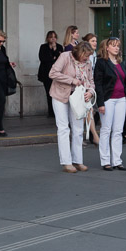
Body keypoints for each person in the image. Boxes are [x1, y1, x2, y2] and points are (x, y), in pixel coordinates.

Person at [48, 41, 93, 173]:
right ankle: (66, 162)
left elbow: (91, 80)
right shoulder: (65, 56)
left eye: (89, 56)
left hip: (78, 97)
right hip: (60, 94)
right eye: (86, 55)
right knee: (63, 128)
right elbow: (53, 73)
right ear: (79, 52)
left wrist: (90, 92)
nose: (87, 58)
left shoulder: (88, 63)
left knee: (78, 129)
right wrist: (71, 80)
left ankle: (78, 160)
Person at [94, 37, 126, 171]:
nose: (116, 48)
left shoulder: (120, 63)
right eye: (113, 45)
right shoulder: (101, 63)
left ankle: (117, 160)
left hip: (121, 98)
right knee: (106, 129)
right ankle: (105, 161)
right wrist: (100, 103)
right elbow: (98, 84)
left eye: (118, 46)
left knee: (118, 130)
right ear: (107, 48)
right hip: (108, 99)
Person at [37, 31, 63, 119]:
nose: (53, 39)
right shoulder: (43, 47)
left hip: (57, 73)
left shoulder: (59, 47)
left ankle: (57, 111)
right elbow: (43, 58)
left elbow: (60, 59)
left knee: (57, 93)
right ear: (48, 38)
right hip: (46, 73)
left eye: (55, 37)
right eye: (51, 37)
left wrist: (55, 50)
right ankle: (51, 112)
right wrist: (53, 57)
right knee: (49, 93)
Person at [81, 33, 101, 145]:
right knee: (88, 111)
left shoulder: (94, 55)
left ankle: (79, 134)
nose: (95, 43)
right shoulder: (86, 56)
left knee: (89, 111)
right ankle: (95, 136)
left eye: (95, 41)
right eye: (92, 41)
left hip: (91, 86)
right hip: (84, 86)